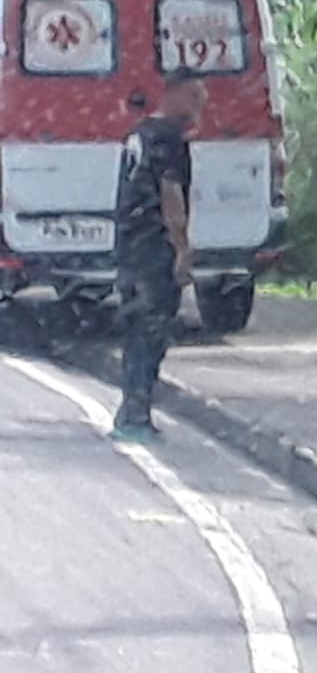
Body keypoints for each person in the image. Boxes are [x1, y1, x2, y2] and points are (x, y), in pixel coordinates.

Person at [111, 67, 207, 440]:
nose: (200, 105)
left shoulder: (139, 134)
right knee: (152, 331)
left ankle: (131, 409)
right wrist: (182, 249)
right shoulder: (169, 140)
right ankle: (135, 416)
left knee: (136, 328)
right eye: (194, 96)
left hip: (129, 247)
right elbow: (171, 197)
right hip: (154, 248)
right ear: (174, 93)